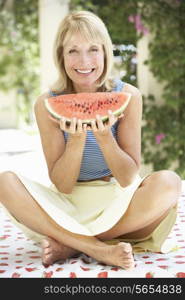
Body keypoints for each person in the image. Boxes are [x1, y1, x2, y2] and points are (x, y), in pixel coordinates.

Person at [0, 10, 182, 270]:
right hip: (68, 204)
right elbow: (62, 185)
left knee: (169, 183)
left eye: (93, 49)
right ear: (61, 56)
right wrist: (75, 141)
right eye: (73, 50)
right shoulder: (46, 103)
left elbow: (128, 178)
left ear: (105, 52)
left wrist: (105, 138)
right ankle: (96, 247)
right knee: (5, 181)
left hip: (118, 203)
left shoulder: (129, 96)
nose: (83, 61)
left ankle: (71, 244)